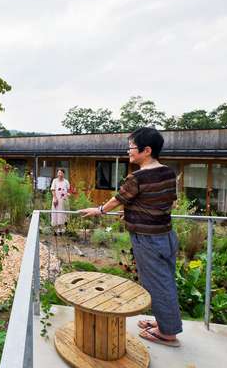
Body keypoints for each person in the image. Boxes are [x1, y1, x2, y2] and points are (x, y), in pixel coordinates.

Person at [80, 127, 182, 347]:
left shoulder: (137, 177)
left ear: (147, 150)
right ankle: (164, 325)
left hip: (148, 240)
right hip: (167, 236)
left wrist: (99, 210)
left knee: (157, 285)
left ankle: (168, 333)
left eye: (131, 148)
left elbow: (118, 199)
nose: (128, 152)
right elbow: (166, 202)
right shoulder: (168, 172)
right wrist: (134, 211)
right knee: (166, 283)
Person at [51, 169, 70, 236]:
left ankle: (62, 229)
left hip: (64, 200)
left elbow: (68, 190)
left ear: (63, 174)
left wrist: (68, 194)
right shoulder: (55, 181)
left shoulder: (66, 181)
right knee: (55, 214)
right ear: (57, 174)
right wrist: (55, 198)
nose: (60, 174)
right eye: (59, 173)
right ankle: (55, 230)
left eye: (61, 173)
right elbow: (53, 190)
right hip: (56, 200)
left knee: (63, 214)